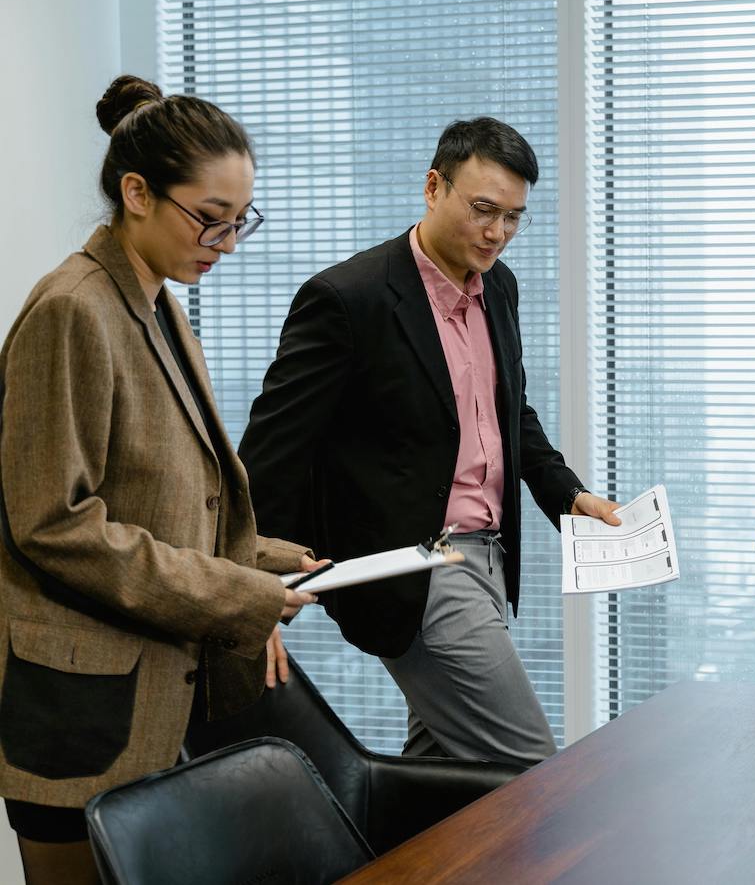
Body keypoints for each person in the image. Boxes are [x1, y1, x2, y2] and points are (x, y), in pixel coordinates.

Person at [0, 75, 320, 885]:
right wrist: (232, 592)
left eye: (240, 221)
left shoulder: (155, 298)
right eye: (211, 219)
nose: (227, 242)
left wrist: (259, 556)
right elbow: (54, 523)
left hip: (149, 688)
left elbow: (158, 491)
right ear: (136, 192)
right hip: (79, 707)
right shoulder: (73, 308)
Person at [239, 117, 619, 768]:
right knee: (530, 775)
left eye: (514, 218)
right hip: (416, 569)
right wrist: (249, 594)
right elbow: (272, 453)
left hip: (491, 557)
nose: (497, 233)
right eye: (483, 210)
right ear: (433, 186)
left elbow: (506, 413)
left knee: (442, 784)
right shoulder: (347, 299)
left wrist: (570, 495)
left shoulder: (498, 285)